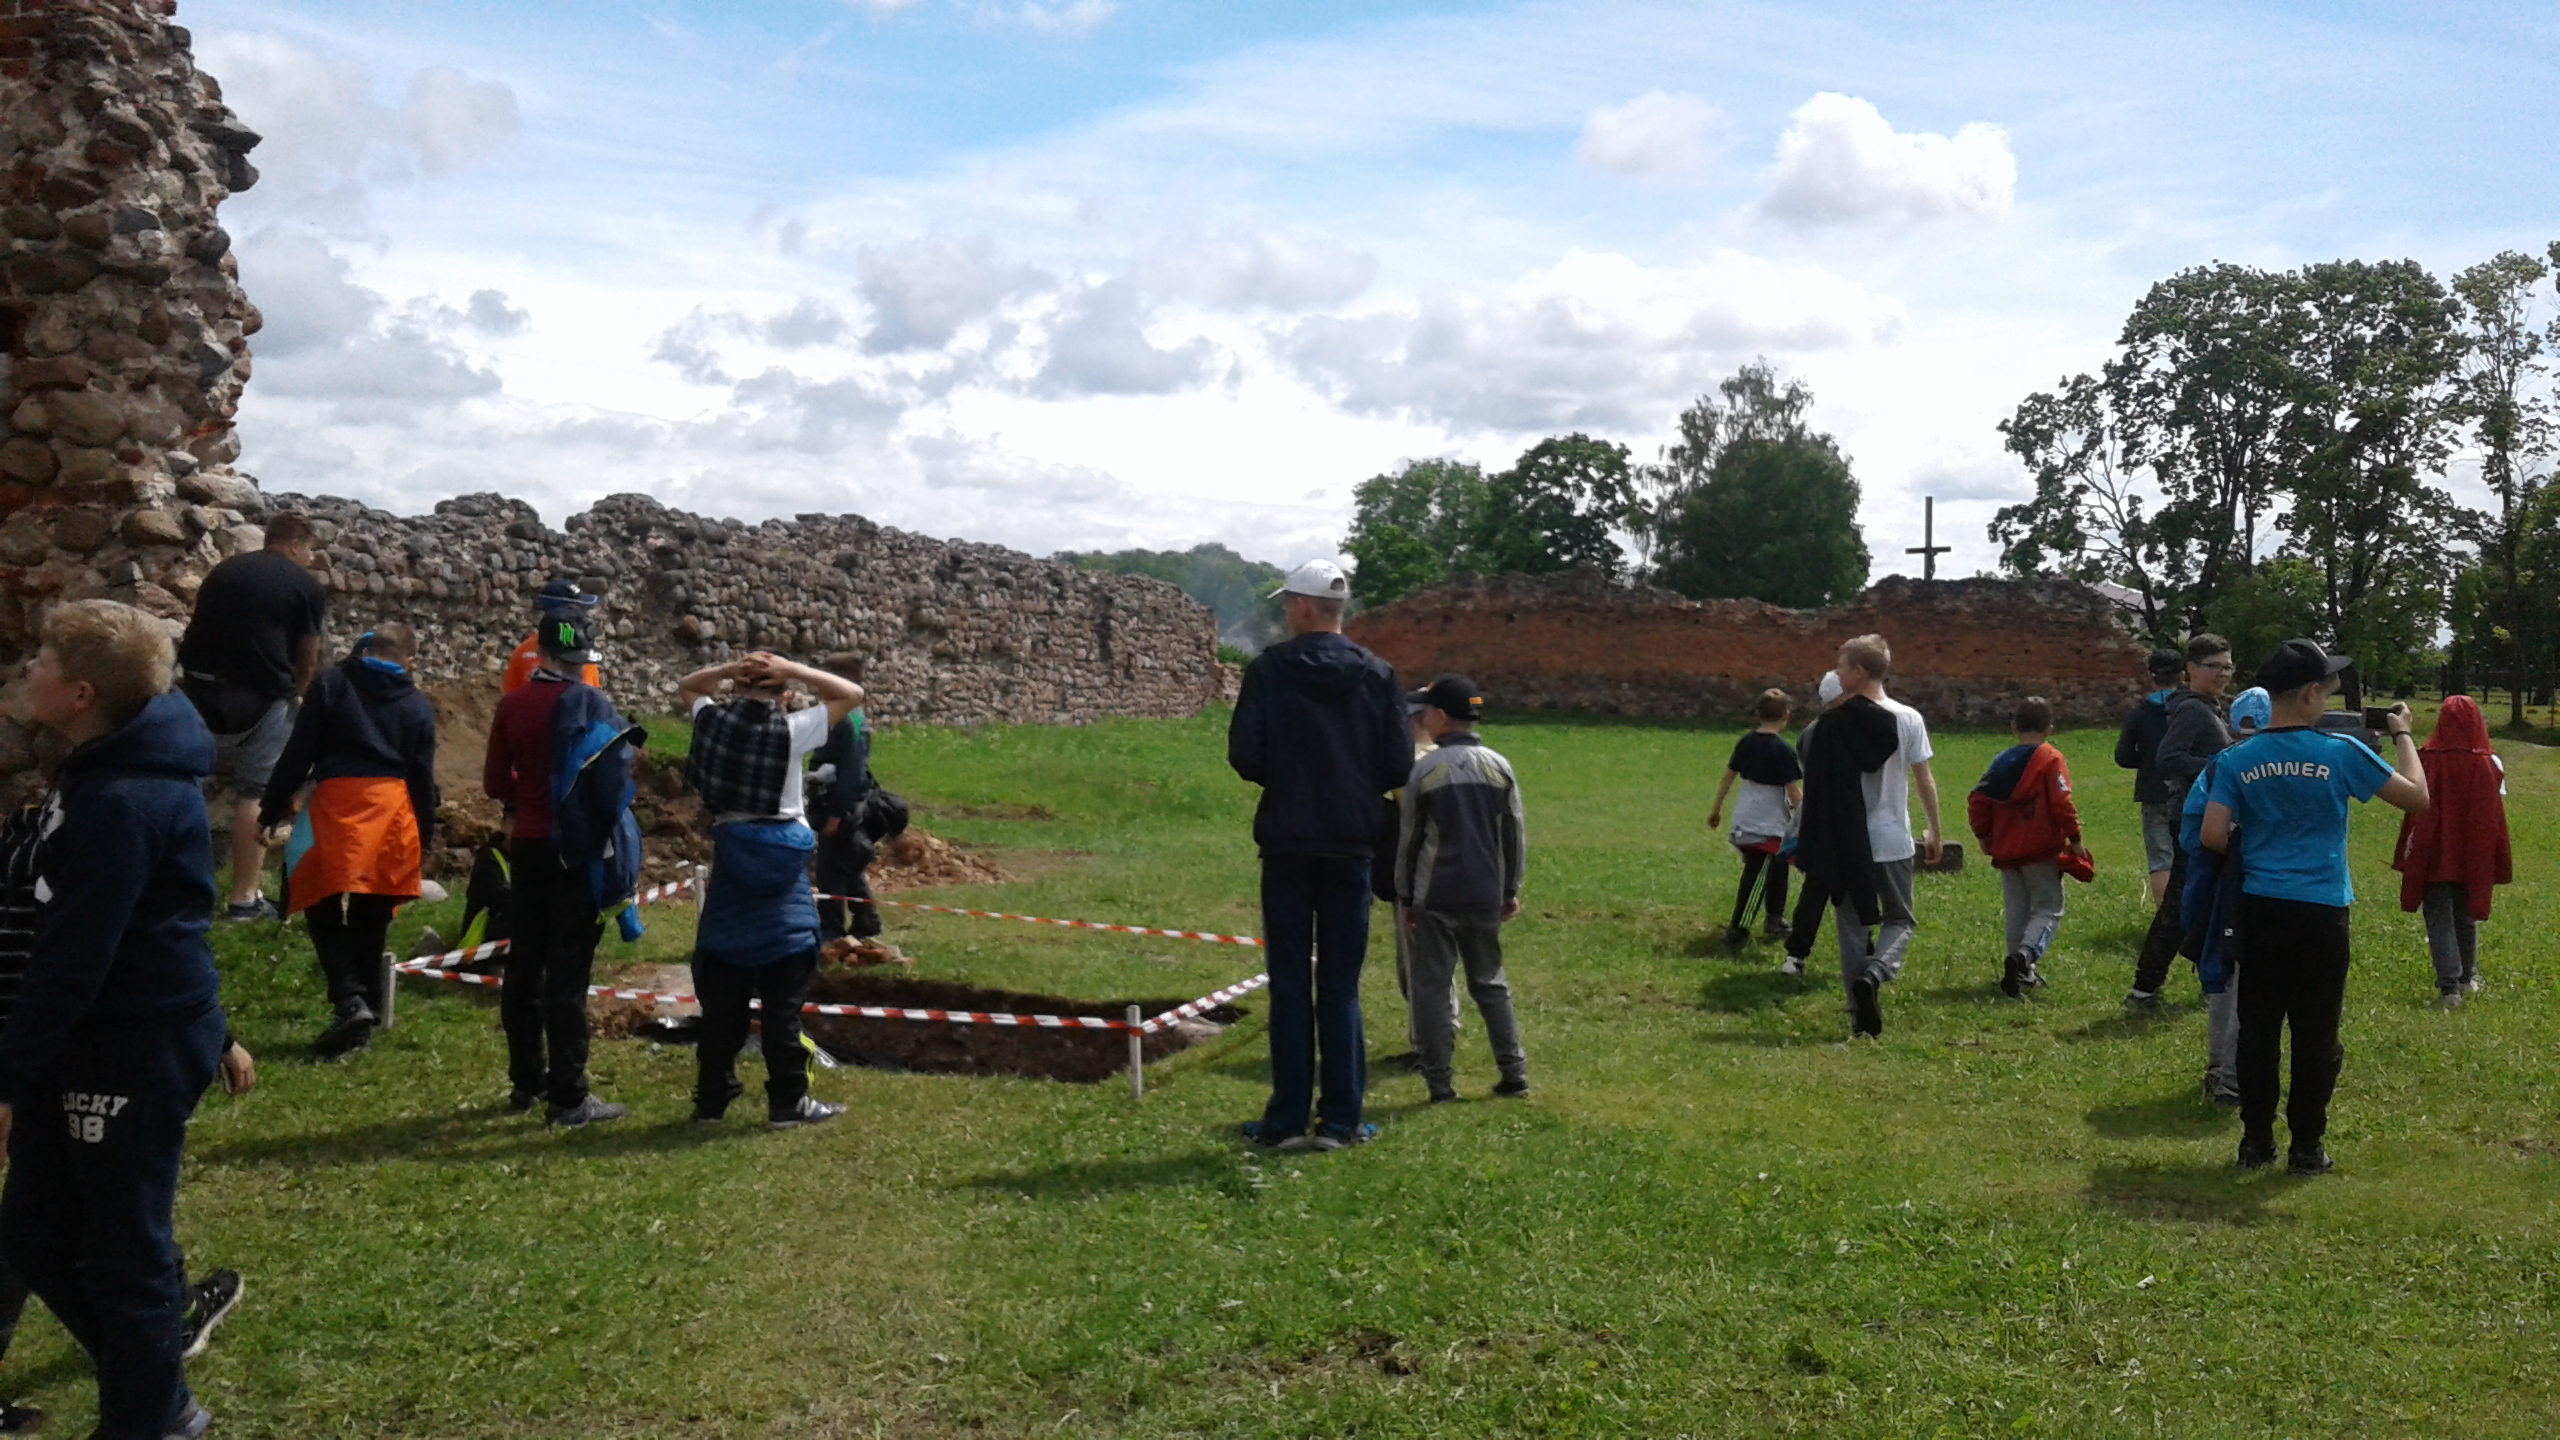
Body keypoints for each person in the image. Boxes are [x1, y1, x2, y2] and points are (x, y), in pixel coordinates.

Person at [0, 600, 238, 1439]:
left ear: (82, 694)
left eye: (41, 660)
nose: (27, 669)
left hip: (133, 1044)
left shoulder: (124, 799)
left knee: (123, 1250)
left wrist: (8, 1080)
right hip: (87, 1039)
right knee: (33, 1234)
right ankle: (155, 1391)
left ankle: (148, 1420)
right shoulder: (101, 770)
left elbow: (80, 952)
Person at [2201, 639, 2428, 1175]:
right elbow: (2417, 797)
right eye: (2326, 690)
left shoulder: (2235, 758)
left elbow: (2212, 834)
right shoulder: (2340, 752)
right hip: (2321, 911)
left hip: (2260, 908)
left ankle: (2256, 1141)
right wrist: (2403, 734)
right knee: (2316, 1032)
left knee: (2258, 1027)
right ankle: (2306, 1146)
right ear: (2308, 694)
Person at [1227, 559, 1408, 1152]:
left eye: (1287, 604)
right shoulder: (1377, 674)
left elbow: (1245, 755)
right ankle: (1341, 1121)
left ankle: (1284, 1122)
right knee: (1339, 985)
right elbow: (1398, 764)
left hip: (1287, 839)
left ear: (1303, 606)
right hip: (1351, 840)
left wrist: (1289, 775)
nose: (1286, 613)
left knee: (1288, 983)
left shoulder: (1268, 671)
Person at [679, 653, 864, 1129]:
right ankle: (788, 1101)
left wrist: (727, 669)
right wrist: (795, 668)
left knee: (724, 996)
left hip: (733, 860)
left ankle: (711, 1101)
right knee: (783, 1001)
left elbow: (688, 686)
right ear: (784, 693)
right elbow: (852, 694)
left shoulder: (713, 720)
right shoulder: (793, 730)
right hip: (785, 867)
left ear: (737, 686)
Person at [257, 625, 438, 1057]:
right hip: (391, 810)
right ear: (409, 661)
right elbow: (422, 777)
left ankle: (350, 998)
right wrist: (424, 836)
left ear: (366, 648)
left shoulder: (332, 685)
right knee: (371, 916)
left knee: (317, 900)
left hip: (335, 807)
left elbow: (299, 750)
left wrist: (270, 807)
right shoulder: (416, 703)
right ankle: (362, 1019)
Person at [483, 612, 628, 1126]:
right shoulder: (594, 703)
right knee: (568, 972)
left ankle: (527, 1081)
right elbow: (614, 782)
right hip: (576, 849)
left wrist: (528, 791)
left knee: (524, 965)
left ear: (539, 652)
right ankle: (569, 1095)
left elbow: (494, 782)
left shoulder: (513, 703)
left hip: (527, 842)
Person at [175, 511, 327, 922]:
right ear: (294, 544)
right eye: (309, 549)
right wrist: (298, 696)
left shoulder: (225, 572)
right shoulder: (305, 585)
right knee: (256, 793)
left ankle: (174, 890)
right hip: (264, 697)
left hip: (200, 690)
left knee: (186, 783)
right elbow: (307, 656)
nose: (310, 558)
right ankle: (244, 900)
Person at [1395, 675, 1529, 1104]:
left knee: (1432, 988)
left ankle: (1440, 1084)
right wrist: (1510, 889)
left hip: (1435, 895)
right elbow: (1513, 836)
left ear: (1439, 716)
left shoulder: (1425, 770)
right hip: (1485, 893)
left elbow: (1410, 841)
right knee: (1491, 983)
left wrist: (1405, 896)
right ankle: (1514, 1074)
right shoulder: (1500, 766)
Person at [1808, 635, 1940, 1038]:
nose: (1836, 673)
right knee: (1900, 918)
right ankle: (1876, 972)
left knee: (1852, 928)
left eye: (1841, 666)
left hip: (1847, 842)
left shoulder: (1832, 724)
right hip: (1893, 837)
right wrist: (1935, 829)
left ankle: (1859, 1018)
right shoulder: (1908, 718)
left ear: (1859, 672)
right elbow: (1924, 779)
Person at [2126, 634, 2236, 1011]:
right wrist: (2220, 766)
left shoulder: (2208, 707)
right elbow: (2168, 757)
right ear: (2190, 669)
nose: (2222, 674)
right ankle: (2144, 989)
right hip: (2191, 818)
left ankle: (2213, 981)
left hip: (2207, 815)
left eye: (2227, 667)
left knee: (2205, 902)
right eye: (2213, 667)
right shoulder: (2192, 709)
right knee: (2179, 905)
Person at [2181, 685, 2271, 1107]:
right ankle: (2231, 1078)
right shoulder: (2262, 765)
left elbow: (2192, 832)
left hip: (2218, 885)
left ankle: (2218, 1067)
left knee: (2224, 976)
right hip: (2253, 885)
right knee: (2249, 984)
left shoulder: (2220, 763)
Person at [2391, 695, 2512, 1008]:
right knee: (2465, 913)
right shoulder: (2488, 762)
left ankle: (2449, 988)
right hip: (2471, 852)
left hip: (2434, 850)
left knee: (2439, 916)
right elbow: (2495, 807)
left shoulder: (2425, 758)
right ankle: (2466, 977)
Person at [1967, 696, 2087, 999]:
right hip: (2041, 848)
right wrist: (2074, 838)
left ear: (2013, 727)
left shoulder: (2000, 761)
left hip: (2006, 850)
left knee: (2017, 912)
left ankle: (2018, 969)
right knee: (2048, 907)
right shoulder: (2050, 758)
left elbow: (1978, 800)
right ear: (2049, 730)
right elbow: (2061, 802)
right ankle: (2025, 957)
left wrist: (1983, 835)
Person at [1374, 696, 1451, 1074]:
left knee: (1419, 967)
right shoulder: (1450, 757)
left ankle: (1431, 1048)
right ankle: (1433, 1041)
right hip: (1452, 873)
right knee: (1432, 964)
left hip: (1417, 878)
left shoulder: (1409, 763)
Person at [1707, 688, 1802, 948]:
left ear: (1757, 714)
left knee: (1779, 866)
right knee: (1758, 873)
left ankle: (1775, 918)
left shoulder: (1745, 743)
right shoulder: (1783, 750)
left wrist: (1716, 809)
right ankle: (1738, 929)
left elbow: (1728, 777)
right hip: (1767, 824)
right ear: (1786, 716)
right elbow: (1793, 791)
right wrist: (1806, 815)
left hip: (1746, 817)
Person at [1776, 670, 1845, 977]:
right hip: (1842, 818)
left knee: (1816, 888)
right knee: (1852, 888)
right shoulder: (1842, 731)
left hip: (1816, 818)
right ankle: (1866, 954)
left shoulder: (1809, 732)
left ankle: (1796, 955)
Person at [807, 655, 880, 944]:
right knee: (847, 864)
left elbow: (852, 772)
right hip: (835, 802)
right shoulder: (843, 718)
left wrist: (836, 815)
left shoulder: (850, 723)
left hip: (840, 806)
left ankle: (832, 930)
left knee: (830, 871)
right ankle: (867, 920)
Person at [2115, 649, 2188, 906]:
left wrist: (2147, 761)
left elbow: (2123, 755)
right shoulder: (2191, 708)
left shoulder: (2141, 711)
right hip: (2189, 788)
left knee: (2161, 859)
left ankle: (2165, 917)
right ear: (2183, 675)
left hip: (2153, 789)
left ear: (2151, 676)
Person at [500, 580, 604, 692]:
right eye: (579, 610)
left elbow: (510, 695)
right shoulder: (580, 653)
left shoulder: (523, 650)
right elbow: (589, 696)